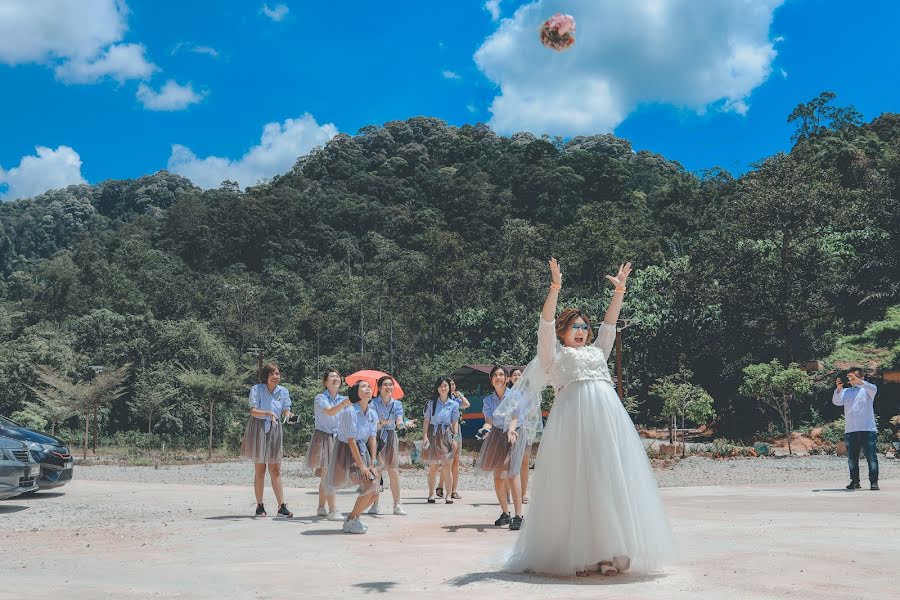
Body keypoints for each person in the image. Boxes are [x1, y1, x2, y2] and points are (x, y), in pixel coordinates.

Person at [502, 258, 673, 576]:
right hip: (571, 427)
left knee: (607, 482)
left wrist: (619, 291)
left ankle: (611, 552)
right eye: (574, 327)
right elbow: (545, 324)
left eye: (584, 327)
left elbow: (610, 325)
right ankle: (582, 553)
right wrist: (554, 288)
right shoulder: (553, 356)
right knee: (575, 485)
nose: (580, 332)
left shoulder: (598, 351)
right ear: (564, 332)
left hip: (606, 426)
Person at [324, 380, 380, 534]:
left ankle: (353, 518)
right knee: (370, 485)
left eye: (369, 386)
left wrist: (373, 462)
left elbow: (373, 438)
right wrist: (362, 466)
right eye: (363, 386)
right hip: (347, 452)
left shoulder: (372, 413)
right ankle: (350, 520)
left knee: (375, 492)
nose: (368, 389)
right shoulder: (350, 411)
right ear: (356, 393)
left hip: (363, 451)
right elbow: (351, 440)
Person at [239, 362, 294, 518]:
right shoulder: (257, 389)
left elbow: (285, 410)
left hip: (275, 428)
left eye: (277, 373)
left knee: (276, 470)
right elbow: (253, 411)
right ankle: (259, 506)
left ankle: (281, 506)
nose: (275, 376)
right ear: (266, 376)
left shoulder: (283, 391)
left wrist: (290, 417)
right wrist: (267, 413)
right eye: (272, 374)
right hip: (259, 428)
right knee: (260, 470)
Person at [477, 365, 527, 530]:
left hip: (514, 433)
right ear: (491, 380)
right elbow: (489, 422)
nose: (498, 377)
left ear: (506, 378)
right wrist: (484, 429)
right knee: (498, 476)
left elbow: (515, 416)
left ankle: (519, 516)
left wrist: (512, 430)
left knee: (513, 474)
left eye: (501, 375)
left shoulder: (514, 395)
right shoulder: (488, 401)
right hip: (497, 435)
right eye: (495, 375)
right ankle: (505, 514)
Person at [368, 375, 416, 515]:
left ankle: (397, 505)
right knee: (376, 472)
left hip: (390, 437)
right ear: (379, 387)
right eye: (385, 385)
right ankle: (374, 504)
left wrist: (404, 424)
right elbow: (373, 424)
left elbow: (399, 422)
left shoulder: (397, 404)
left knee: (393, 471)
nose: (389, 387)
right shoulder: (373, 403)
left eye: (391, 385)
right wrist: (381, 423)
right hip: (376, 438)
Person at [308, 368, 352, 520]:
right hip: (324, 437)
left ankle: (321, 507)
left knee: (326, 475)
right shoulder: (320, 397)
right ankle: (333, 510)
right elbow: (329, 412)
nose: (335, 379)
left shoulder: (344, 399)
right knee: (329, 474)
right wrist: (344, 404)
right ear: (325, 382)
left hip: (338, 438)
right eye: (332, 377)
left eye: (338, 377)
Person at [833, 367, 879, 490]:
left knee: (871, 457)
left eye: (853, 377)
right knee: (852, 459)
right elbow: (836, 401)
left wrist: (858, 381)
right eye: (850, 377)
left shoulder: (868, 390)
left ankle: (874, 483)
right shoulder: (846, 391)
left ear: (861, 377)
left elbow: (873, 388)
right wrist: (838, 388)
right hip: (851, 430)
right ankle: (855, 482)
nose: (851, 380)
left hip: (867, 429)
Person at [422, 377, 459, 504]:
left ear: (449, 387)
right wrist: (425, 436)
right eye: (441, 386)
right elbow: (426, 420)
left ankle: (448, 495)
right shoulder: (431, 403)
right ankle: (431, 494)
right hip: (433, 434)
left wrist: (455, 438)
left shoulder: (454, 404)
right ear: (437, 388)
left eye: (445, 386)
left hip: (447, 434)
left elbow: (455, 422)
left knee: (447, 466)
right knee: (433, 466)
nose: (443, 388)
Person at [436, 378, 470, 500]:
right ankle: (440, 486)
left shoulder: (455, 400)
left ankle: (454, 490)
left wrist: (460, 394)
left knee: (455, 461)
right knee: (445, 461)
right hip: (443, 431)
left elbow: (467, 404)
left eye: (453, 384)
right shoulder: (440, 400)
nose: (452, 386)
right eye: (449, 384)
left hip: (456, 431)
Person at [506, 367, 531, 504]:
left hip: (525, 429)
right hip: (510, 430)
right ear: (509, 378)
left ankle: (523, 493)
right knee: (508, 461)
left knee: (524, 462)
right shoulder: (507, 393)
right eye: (514, 375)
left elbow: (532, 412)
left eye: (519, 375)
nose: (517, 377)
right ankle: (508, 493)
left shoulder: (528, 394)